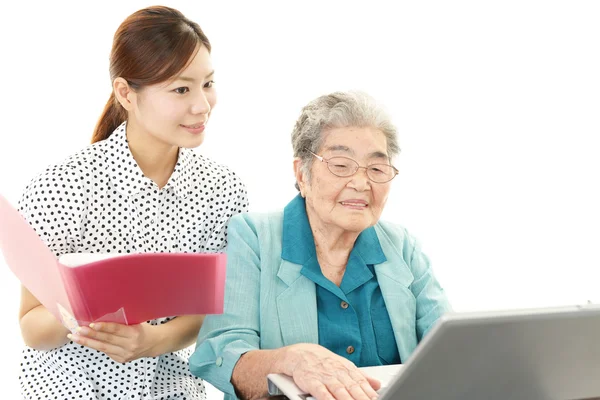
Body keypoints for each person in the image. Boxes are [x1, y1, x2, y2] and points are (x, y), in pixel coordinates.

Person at [17, 6, 247, 400]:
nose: (202, 105)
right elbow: (32, 327)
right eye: (181, 89)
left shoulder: (222, 190)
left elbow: (214, 311)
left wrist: (152, 341)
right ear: (126, 93)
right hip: (69, 387)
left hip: (172, 387)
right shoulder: (62, 186)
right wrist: (84, 310)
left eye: (207, 84)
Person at [190, 91, 452, 400]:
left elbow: (452, 349)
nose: (361, 183)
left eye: (377, 169)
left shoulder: (402, 246)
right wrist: (287, 360)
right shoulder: (254, 237)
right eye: (341, 165)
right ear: (302, 174)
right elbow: (219, 352)